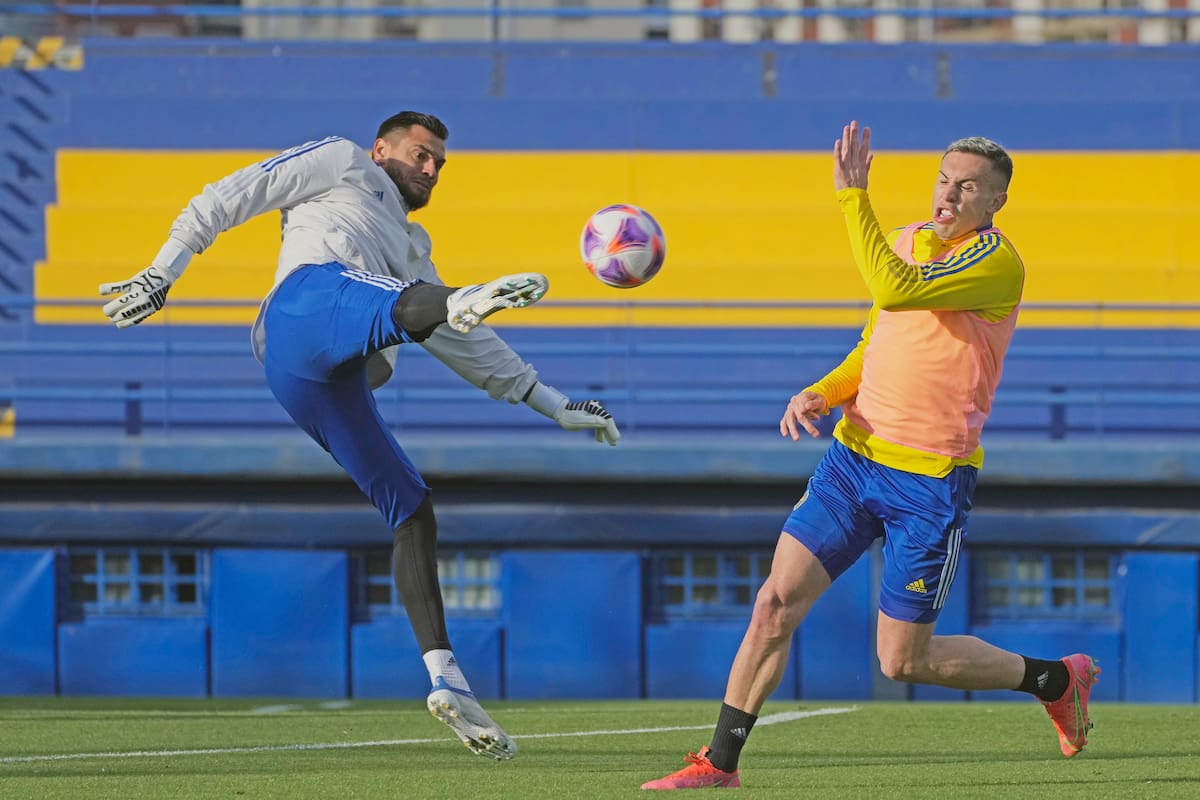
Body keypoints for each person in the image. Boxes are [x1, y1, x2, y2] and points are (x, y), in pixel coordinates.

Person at [98, 111, 621, 761]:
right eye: (420, 154)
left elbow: (469, 346)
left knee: (413, 507)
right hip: (301, 313)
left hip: (331, 380)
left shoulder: (413, 246)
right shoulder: (343, 161)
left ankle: (446, 679)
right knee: (396, 299)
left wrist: (553, 404)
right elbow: (231, 195)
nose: (430, 169)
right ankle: (452, 300)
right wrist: (163, 270)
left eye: (439, 163)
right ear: (381, 150)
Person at [641, 121, 1099, 790]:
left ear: (994, 202)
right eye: (945, 180)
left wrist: (853, 196)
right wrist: (823, 391)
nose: (949, 196)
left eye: (968, 188)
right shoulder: (911, 239)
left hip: (929, 481)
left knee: (903, 662)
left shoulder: (995, 261)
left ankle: (1056, 679)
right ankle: (719, 764)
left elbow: (893, 290)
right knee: (774, 603)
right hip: (853, 461)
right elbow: (877, 338)